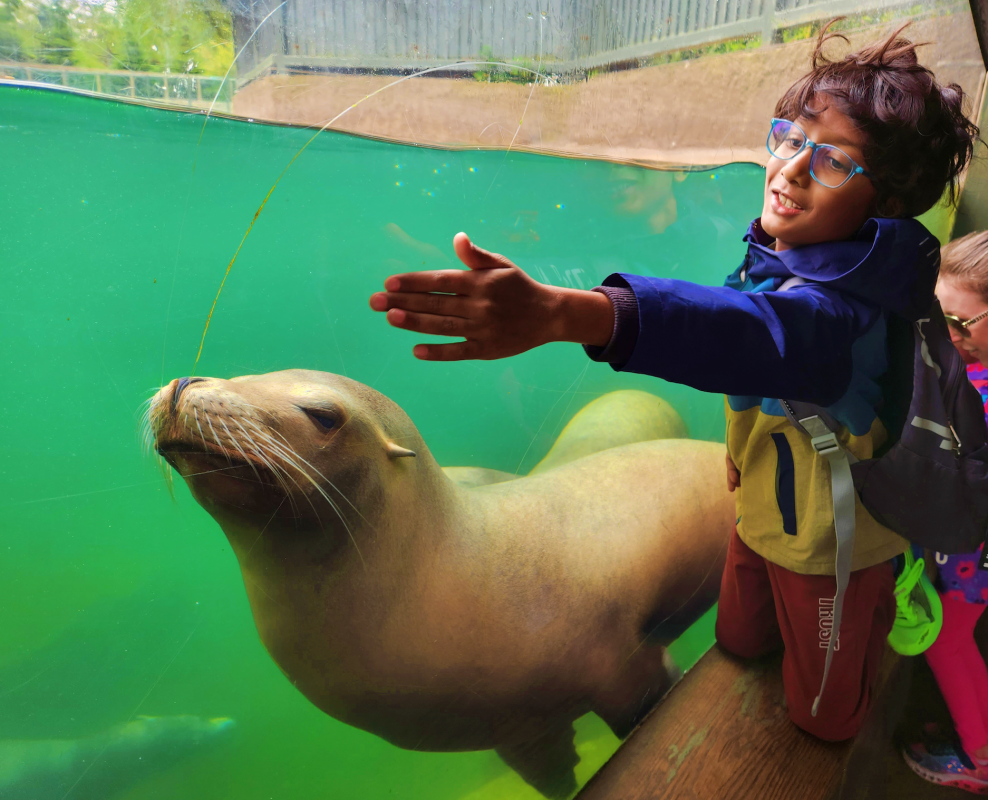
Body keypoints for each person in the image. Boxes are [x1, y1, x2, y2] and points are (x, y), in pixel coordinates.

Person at [369, 23, 978, 740]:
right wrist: (738, 450)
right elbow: (754, 356)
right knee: (740, 640)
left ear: (887, 206)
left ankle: (829, 730)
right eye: (788, 137)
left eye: (833, 161)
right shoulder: (800, 254)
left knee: (821, 713)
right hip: (762, 504)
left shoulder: (848, 311)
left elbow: (752, 334)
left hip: (829, 542)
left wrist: (575, 313)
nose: (788, 169)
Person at [903, 231, 988, 794]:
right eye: (935, 318)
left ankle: (980, 761)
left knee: (947, 640)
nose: (945, 335)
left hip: (972, 556)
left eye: (959, 324)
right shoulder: (966, 369)